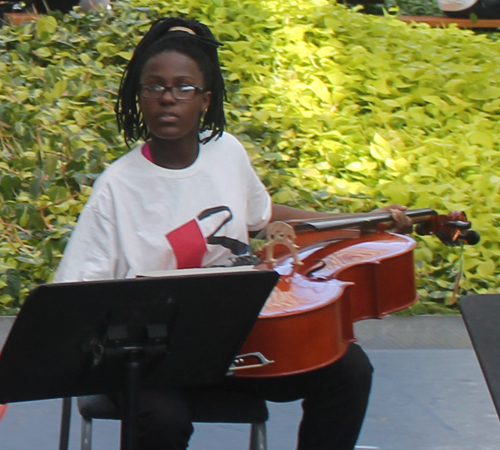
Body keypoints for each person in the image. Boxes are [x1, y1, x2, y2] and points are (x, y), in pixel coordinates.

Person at [53, 17, 412, 450]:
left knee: (348, 368)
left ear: (205, 100)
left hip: (238, 344)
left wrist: (360, 220)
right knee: (164, 421)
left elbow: (261, 217)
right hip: (153, 361)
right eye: (155, 87)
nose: (168, 98)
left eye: (184, 87)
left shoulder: (226, 152)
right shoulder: (117, 186)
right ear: (139, 97)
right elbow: (74, 294)